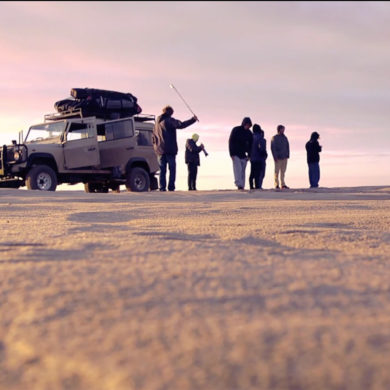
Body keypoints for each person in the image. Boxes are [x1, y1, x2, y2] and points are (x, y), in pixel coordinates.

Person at [153, 105, 197, 191]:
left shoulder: (156, 124)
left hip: (159, 150)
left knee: (162, 170)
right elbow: (181, 125)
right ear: (170, 112)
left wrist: (156, 147)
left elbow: (153, 138)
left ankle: (162, 188)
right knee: (172, 169)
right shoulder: (169, 120)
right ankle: (171, 187)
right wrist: (193, 120)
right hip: (169, 149)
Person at [228, 117, 253, 190]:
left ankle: (242, 185)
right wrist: (231, 154)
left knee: (242, 171)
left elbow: (251, 145)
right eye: (247, 125)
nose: (247, 126)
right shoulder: (236, 130)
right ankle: (239, 184)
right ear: (244, 123)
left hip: (244, 155)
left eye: (249, 125)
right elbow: (231, 141)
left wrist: (249, 155)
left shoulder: (249, 133)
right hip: (235, 154)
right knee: (237, 169)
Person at [271, 124, 290, 189]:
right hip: (278, 157)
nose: (283, 130)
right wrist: (275, 157)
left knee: (283, 171)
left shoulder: (285, 138)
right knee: (276, 171)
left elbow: (287, 146)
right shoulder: (275, 138)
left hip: (284, 157)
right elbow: (273, 148)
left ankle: (283, 184)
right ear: (279, 129)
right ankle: (276, 184)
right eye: (282, 129)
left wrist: (287, 155)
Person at [249, 124, 268, 189]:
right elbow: (262, 148)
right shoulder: (260, 138)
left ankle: (251, 186)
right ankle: (258, 186)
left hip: (252, 158)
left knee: (252, 173)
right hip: (259, 158)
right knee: (259, 173)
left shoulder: (251, 137)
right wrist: (265, 155)